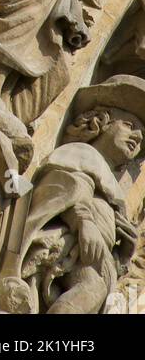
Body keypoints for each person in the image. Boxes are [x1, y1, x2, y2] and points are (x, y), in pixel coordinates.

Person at [15, 75, 145, 314]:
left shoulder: (112, 186)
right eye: (129, 125)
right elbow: (60, 186)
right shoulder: (82, 153)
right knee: (88, 291)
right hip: (72, 244)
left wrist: (122, 256)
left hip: (97, 257)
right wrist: (83, 221)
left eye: (142, 135)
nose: (137, 137)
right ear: (101, 121)